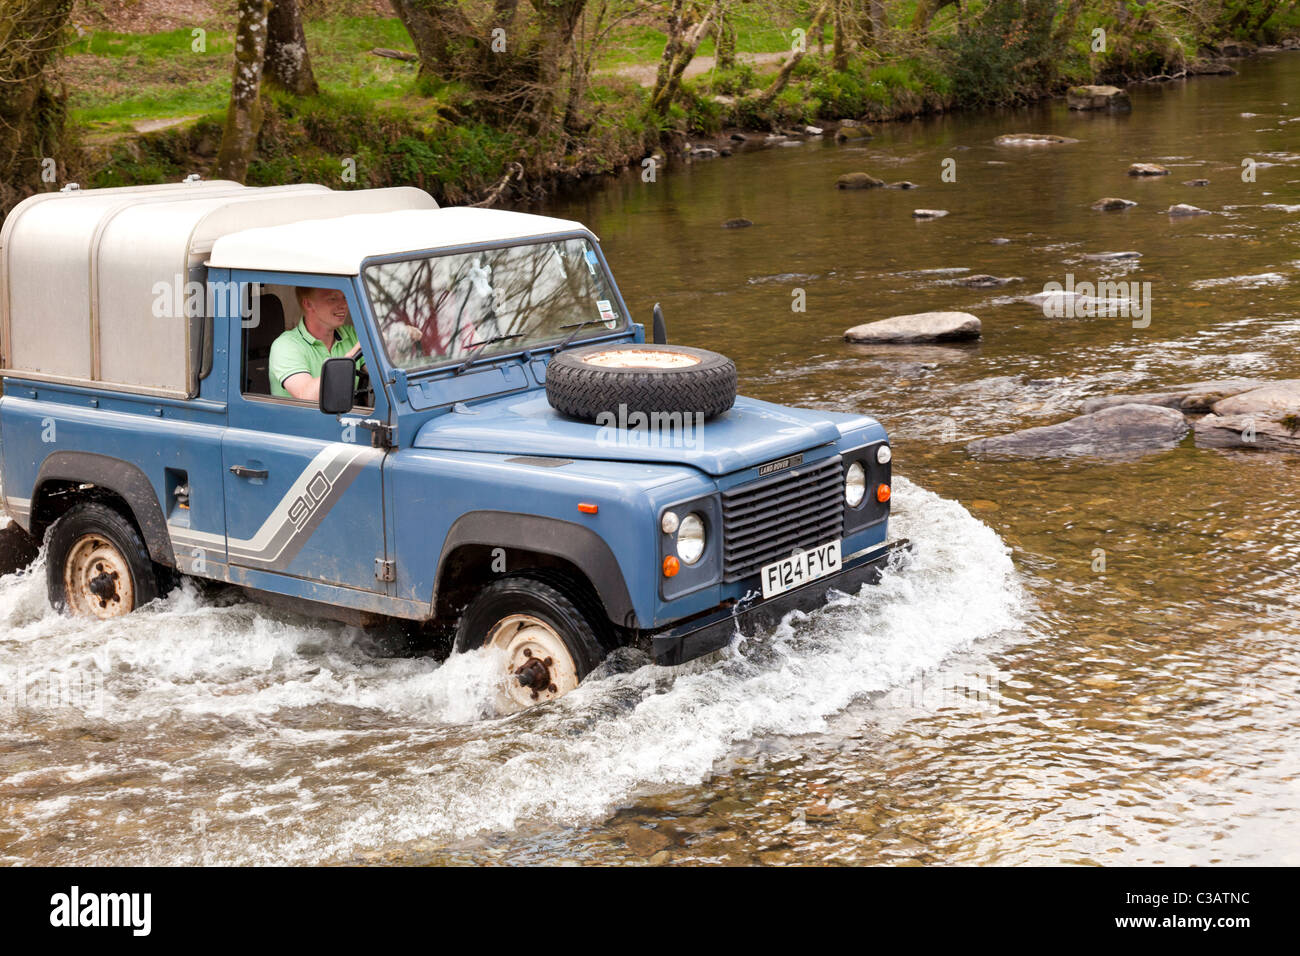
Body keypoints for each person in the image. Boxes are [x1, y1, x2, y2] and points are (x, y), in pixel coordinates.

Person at [269, 287, 364, 401]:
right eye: (333, 299)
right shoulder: (285, 345)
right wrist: (351, 356)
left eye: (345, 297)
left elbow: (381, 375)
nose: (344, 305)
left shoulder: (352, 334)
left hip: (347, 417)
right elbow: (306, 396)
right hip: (303, 419)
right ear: (308, 304)